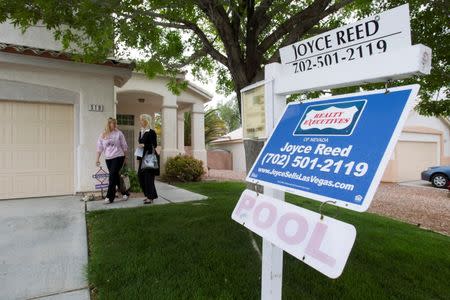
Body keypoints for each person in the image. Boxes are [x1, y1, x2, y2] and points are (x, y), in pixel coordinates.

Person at [96, 117, 130, 204]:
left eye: (115, 123)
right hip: (108, 159)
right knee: (115, 177)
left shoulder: (119, 133)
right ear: (108, 124)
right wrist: (97, 159)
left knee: (112, 176)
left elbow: (124, 145)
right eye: (113, 123)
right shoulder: (103, 135)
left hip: (118, 157)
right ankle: (125, 193)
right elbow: (99, 147)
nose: (115, 125)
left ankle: (109, 197)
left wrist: (126, 157)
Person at [137, 114, 159, 204]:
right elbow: (141, 144)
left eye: (141, 120)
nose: (140, 122)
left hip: (149, 157)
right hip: (142, 157)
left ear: (146, 121)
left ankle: (150, 197)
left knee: (148, 177)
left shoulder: (151, 132)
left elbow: (155, 145)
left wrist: (144, 145)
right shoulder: (141, 131)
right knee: (140, 176)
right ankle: (149, 195)